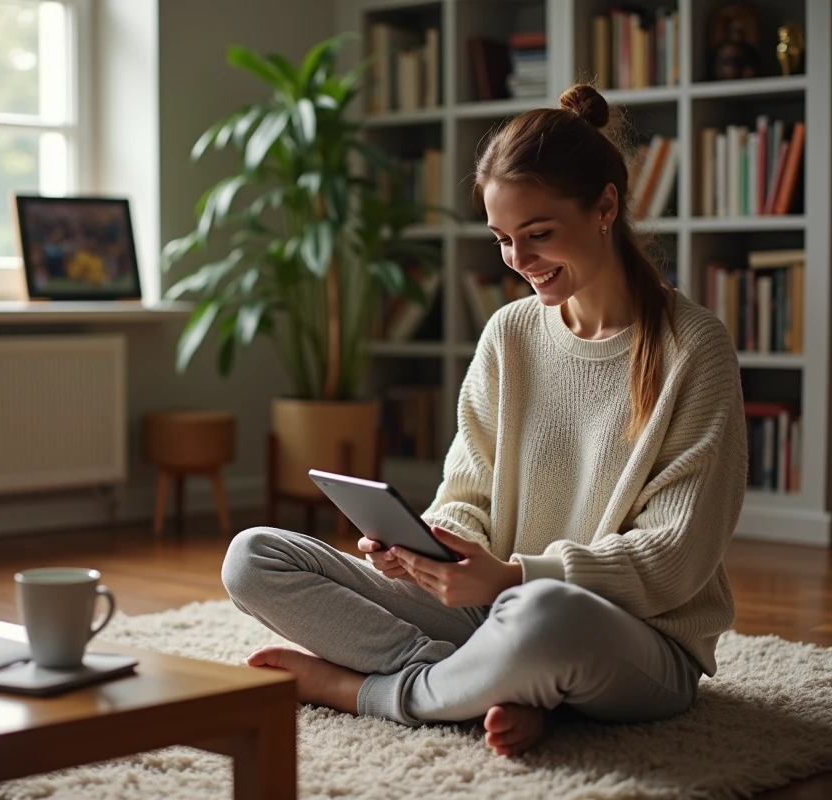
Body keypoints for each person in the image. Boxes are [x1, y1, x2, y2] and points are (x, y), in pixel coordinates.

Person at [221, 83, 748, 758]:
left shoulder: (693, 347)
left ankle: (370, 691)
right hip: (492, 605)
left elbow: (676, 560)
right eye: (502, 239)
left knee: (541, 617)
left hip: (628, 637)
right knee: (255, 557)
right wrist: (428, 552)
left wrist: (515, 577)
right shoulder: (509, 334)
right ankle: (493, 685)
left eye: (538, 235)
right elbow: (466, 492)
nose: (518, 262)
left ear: (605, 207)